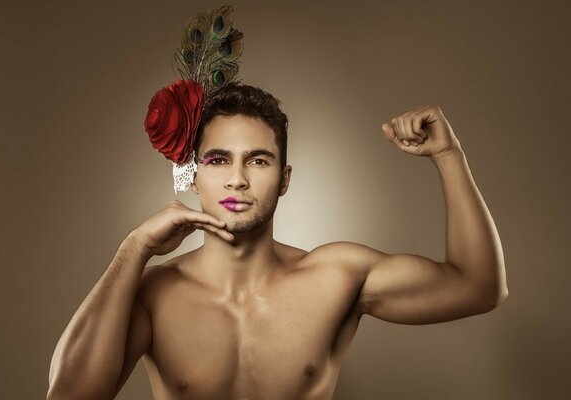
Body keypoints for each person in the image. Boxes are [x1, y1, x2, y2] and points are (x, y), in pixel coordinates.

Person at [46, 84, 508, 400]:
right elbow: (68, 396)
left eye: (259, 161)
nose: (237, 180)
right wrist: (133, 249)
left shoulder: (336, 278)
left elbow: (478, 287)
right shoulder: (152, 295)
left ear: (284, 179)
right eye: (218, 159)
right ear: (193, 176)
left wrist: (448, 155)